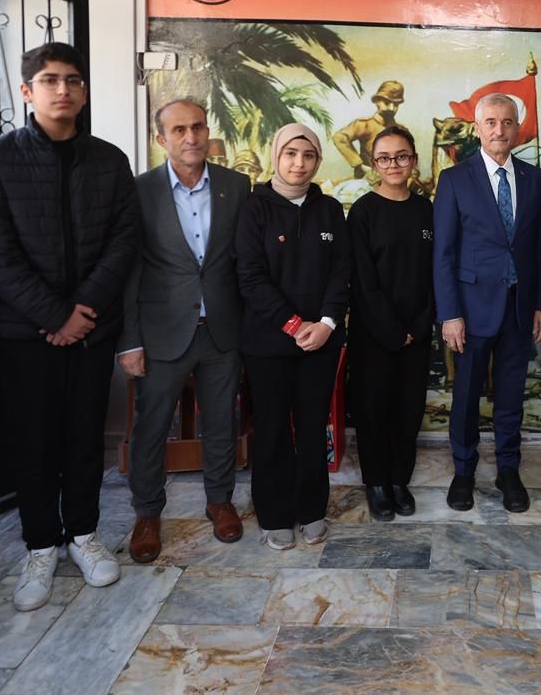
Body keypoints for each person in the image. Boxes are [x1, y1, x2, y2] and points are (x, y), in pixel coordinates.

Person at [0, 42, 141, 610]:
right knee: (33, 443)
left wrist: (83, 309)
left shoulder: (109, 160)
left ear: (84, 91)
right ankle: (41, 545)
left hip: (91, 329)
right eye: (49, 80)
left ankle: (84, 535)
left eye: (72, 80)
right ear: (27, 91)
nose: (62, 89)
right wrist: (53, 314)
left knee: (83, 437)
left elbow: (124, 239)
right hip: (25, 335)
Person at [119, 100, 249, 564]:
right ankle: (147, 514)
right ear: (162, 139)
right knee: (151, 427)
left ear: (208, 131)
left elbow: (243, 260)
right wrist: (130, 341)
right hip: (161, 333)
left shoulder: (236, 186)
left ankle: (220, 501)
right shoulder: (139, 191)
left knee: (222, 421)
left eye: (197, 127)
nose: (190, 137)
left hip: (222, 329)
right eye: (179, 130)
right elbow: (127, 270)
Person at [433, 93, 541, 514]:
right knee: (466, 396)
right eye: (491, 122)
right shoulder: (455, 179)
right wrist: (450, 313)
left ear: (516, 127)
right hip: (470, 310)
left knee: (511, 396)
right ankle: (464, 472)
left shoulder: (536, 179)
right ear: (478, 128)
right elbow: (443, 253)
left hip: (520, 309)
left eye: (507, 122)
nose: (499, 130)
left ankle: (508, 470)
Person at [235, 124, 350, 549]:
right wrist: (294, 325)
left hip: (322, 341)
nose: (299, 163)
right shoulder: (254, 208)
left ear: (318, 160)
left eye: (308, 155)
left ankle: (312, 509)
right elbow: (250, 276)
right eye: (290, 154)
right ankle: (275, 513)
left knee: (312, 426)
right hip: (267, 343)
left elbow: (342, 271)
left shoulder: (330, 210)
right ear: (276, 156)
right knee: (271, 429)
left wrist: (326, 323)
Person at [347, 126, 435, 521]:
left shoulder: (427, 210)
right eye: (384, 158)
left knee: (408, 408)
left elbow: (436, 273)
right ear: (374, 163)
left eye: (401, 156)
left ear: (413, 160)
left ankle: (400, 480)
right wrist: (393, 331)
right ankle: (377, 483)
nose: (393, 164)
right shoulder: (363, 212)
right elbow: (363, 281)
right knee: (374, 408)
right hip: (374, 333)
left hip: (418, 331)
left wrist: (419, 325)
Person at [332, 80, 405, 178]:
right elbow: (339, 138)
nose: (392, 108)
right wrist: (359, 165)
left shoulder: (402, 131)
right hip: (368, 180)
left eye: (396, 105)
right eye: (387, 103)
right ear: (376, 101)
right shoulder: (365, 125)